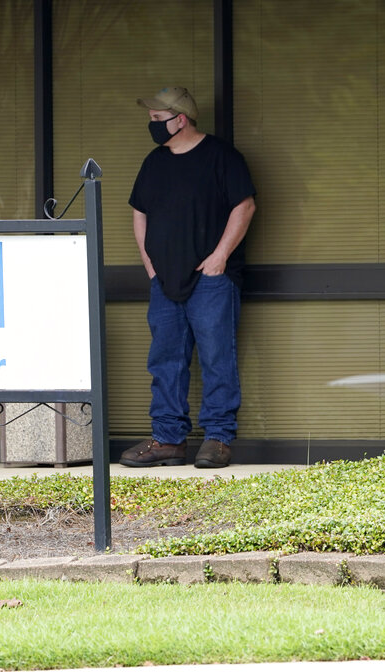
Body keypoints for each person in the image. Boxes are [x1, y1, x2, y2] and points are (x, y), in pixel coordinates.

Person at [122, 86, 256, 469]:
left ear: (179, 119)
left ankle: (217, 439)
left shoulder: (222, 157)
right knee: (165, 359)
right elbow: (139, 212)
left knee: (217, 358)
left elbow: (244, 206)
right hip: (164, 280)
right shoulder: (154, 162)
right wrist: (150, 264)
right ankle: (167, 439)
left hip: (212, 279)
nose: (152, 126)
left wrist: (219, 257)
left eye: (157, 120)